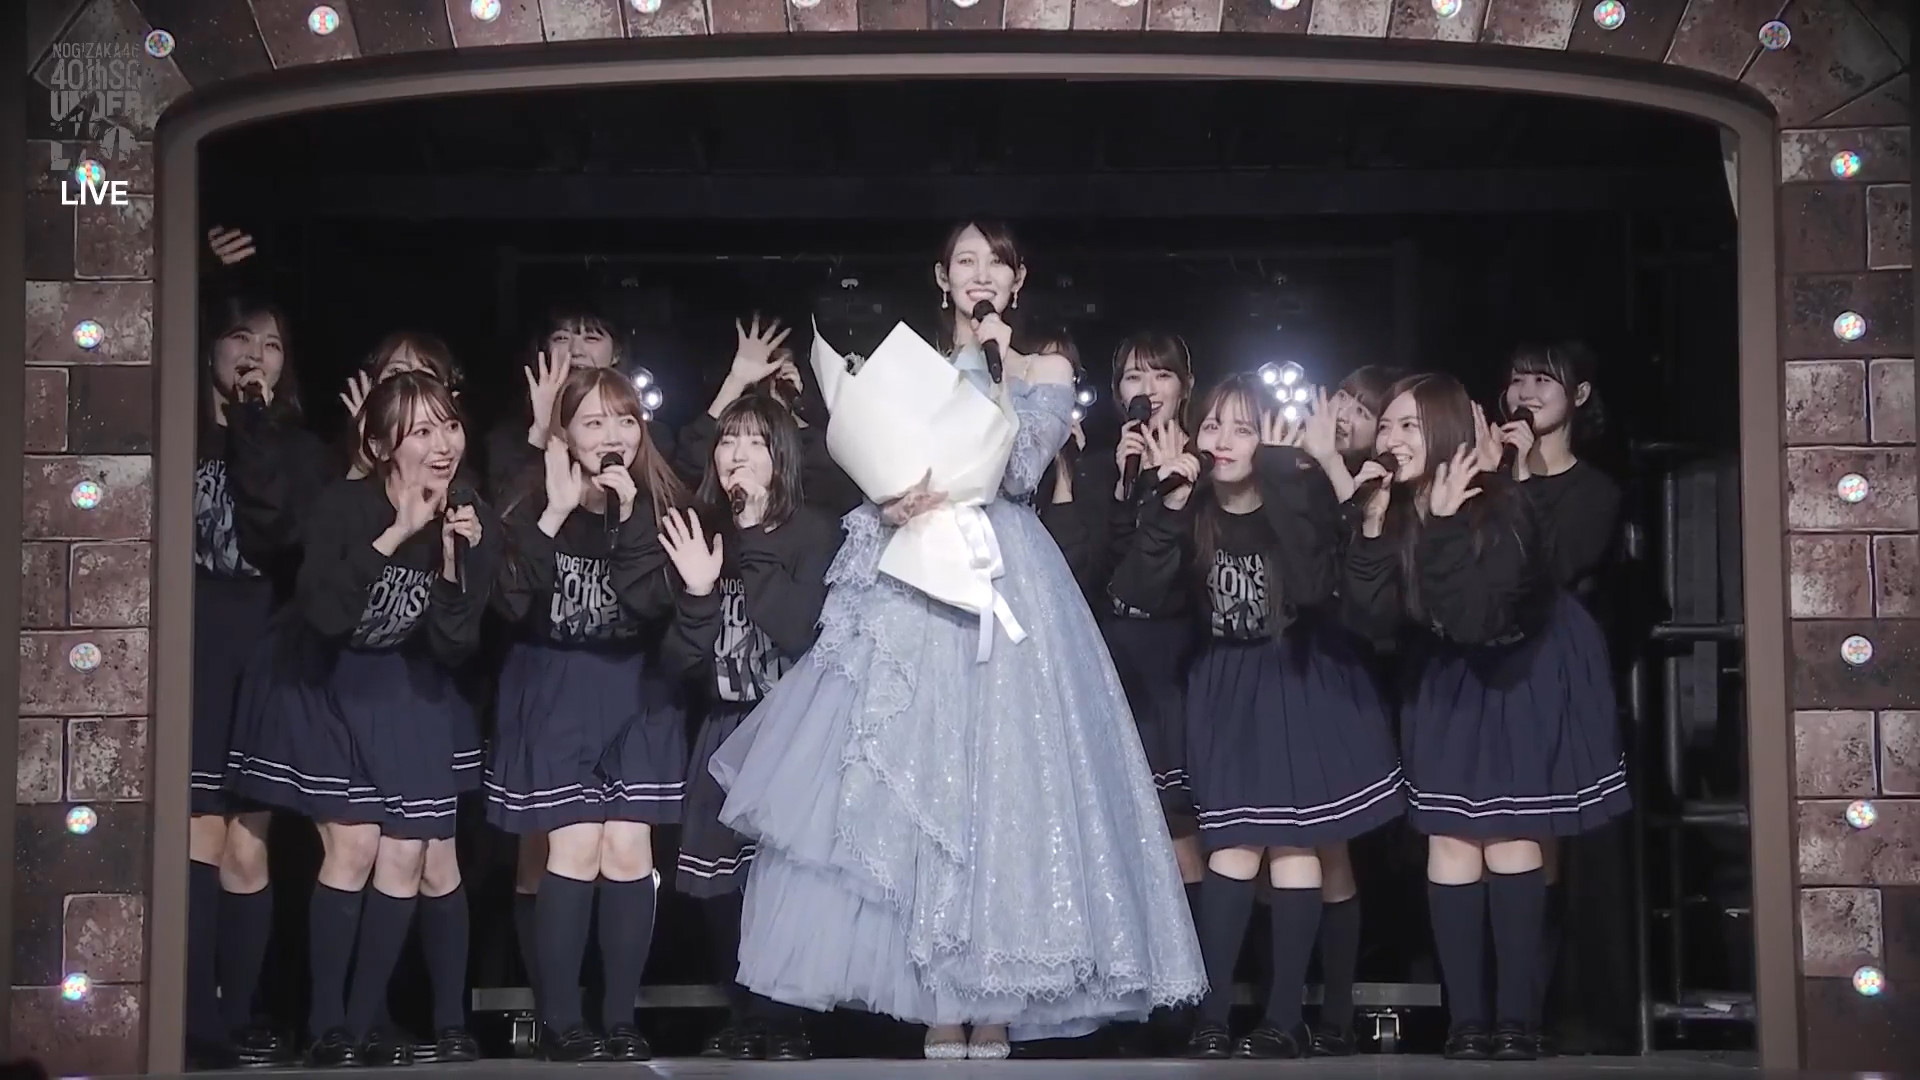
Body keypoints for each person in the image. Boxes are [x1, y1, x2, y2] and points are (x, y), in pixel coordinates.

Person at [708, 221, 1206, 1059]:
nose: (981, 275)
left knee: (1006, 788)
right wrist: (888, 498)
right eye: (965, 262)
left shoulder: (1042, 369)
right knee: (918, 787)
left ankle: (996, 1000)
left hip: (1003, 574)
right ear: (942, 277)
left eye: (995, 264)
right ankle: (938, 996)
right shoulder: (905, 363)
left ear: (1017, 280)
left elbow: (1017, 471)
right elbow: (869, 459)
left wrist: (991, 363)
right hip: (913, 572)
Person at [1111, 375, 1402, 1059]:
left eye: (1243, 429)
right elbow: (1137, 594)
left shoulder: (1294, 498)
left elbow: (1312, 585)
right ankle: (1213, 1019)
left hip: (1296, 678)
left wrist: (1283, 473)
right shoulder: (1189, 506)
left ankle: (1288, 1019)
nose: (1222, 440)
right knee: (1232, 848)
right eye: (1213, 425)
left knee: (1299, 847)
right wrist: (1169, 506)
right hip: (1225, 686)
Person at [1341, 373, 1630, 1061]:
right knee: (1449, 838)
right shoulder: (1394, 504)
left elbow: (1479, 617)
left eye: (1409, 426)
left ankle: (1517, 1020)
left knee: (1509, 837)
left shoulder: (1499, 498)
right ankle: (1467, 1020)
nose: (1390, 439)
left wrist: (1442, 528)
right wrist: (1372, 527)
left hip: (1521, 674)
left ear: (1445, 431)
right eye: (1387, 426)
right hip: (1449, 675)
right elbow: (1372, 621)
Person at [225, 372, 498, 1067]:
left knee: (408, 851)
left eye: (450, 426)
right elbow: (325, 615)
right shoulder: (344, 506)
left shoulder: (467, 512)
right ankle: (327, 1026)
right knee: (352, 848)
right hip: (317, 681)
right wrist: (397, 533)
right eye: (422, 431)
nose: (444, 444)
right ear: (380, 447)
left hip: (392, 683)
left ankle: (362, 1024)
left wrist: (454, 563)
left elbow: (454, 643)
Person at [664, 393, 839, 1062]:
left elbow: (796, 628)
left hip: (790, 727)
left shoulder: (812, 532)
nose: (736, 455)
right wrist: (700, 593)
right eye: (727, 440)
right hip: (722, 723)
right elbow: (676, 660)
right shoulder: (698, 528)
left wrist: (754, 537)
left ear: (780, 456)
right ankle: (743, 1012)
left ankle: (784, 1017)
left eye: (754, 442)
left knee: (781, 877)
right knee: (719, 882)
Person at [188, 293, 325, 1068]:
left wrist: (251, 422)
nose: (254, 354)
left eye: (271, 344)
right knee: (199, 835)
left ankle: (237, 1017)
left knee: (247, 843)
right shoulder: (179, 434)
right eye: (239, 337)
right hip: (197, 644)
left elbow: (274, 527)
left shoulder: (295, 449)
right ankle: (191, 1017)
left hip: (265, 647)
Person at [1495, 341, 1627, 1055]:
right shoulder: (1485, 474)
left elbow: (1556, 563)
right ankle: (1482, 1010)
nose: (1526, 391)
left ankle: (1532, 1010)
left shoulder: (1595, 490)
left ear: (1578, 396)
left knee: (1543, 834)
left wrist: (1520, 478)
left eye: (1543, 379)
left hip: (1555, 662)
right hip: (1487, 662)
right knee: (1487, 836)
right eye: (1518, 378)